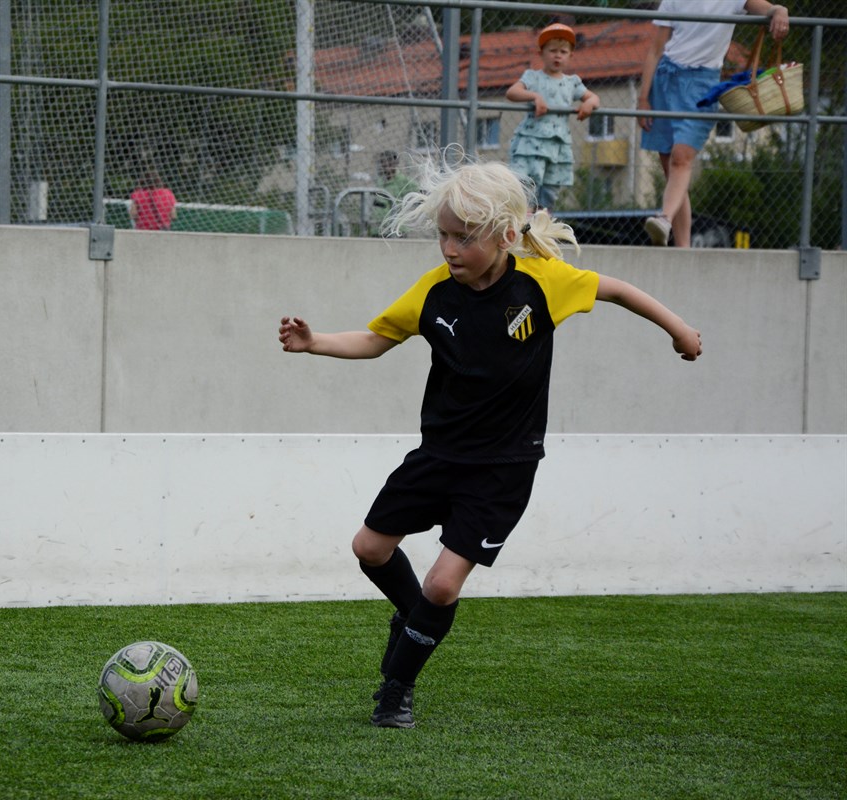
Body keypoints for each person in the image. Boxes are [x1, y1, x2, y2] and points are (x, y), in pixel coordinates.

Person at [277, 151, 702, 729]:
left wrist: (679, 331)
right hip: (437, 456)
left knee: (442, 584)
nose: (449, 249)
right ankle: (415, 622)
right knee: (369, 548)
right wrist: (315, 342)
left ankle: (396, 690)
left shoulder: (542, 282)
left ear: (504, 236)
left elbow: (620, 291)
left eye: (463, 238)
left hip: (504, 466)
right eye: (443, 236)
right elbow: (377, 338)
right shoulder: (433, 292)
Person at [638, 0, 789, 247]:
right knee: (671, 168)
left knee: (681, 158)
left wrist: (779, 11)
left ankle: (664, 218)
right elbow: (655, 50)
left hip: (701, 83)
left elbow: (766, 7)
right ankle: (683, 248)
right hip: (665, 79)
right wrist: (643, 98)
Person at [506, 23, 600, 212]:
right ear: (541, 53)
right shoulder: (533, 77)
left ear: (571, 56)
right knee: (525, 182)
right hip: (532, 141)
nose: (558, 55)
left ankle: (543, 220)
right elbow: (512, 92)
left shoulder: (572, 82)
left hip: (557, 144)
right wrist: (534, 96)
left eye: (563, 52)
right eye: (552, 51)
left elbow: (594, 98)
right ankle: (523, 216)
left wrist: (589, 103)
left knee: (550, 187)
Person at [371, 151, 419, 235]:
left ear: (396, 163)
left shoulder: (404, 181)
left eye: (389, 160)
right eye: (383, 161)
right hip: (378, 227)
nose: (386, 163)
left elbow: (419, 192)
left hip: (396, 228)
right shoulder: (379, 181)